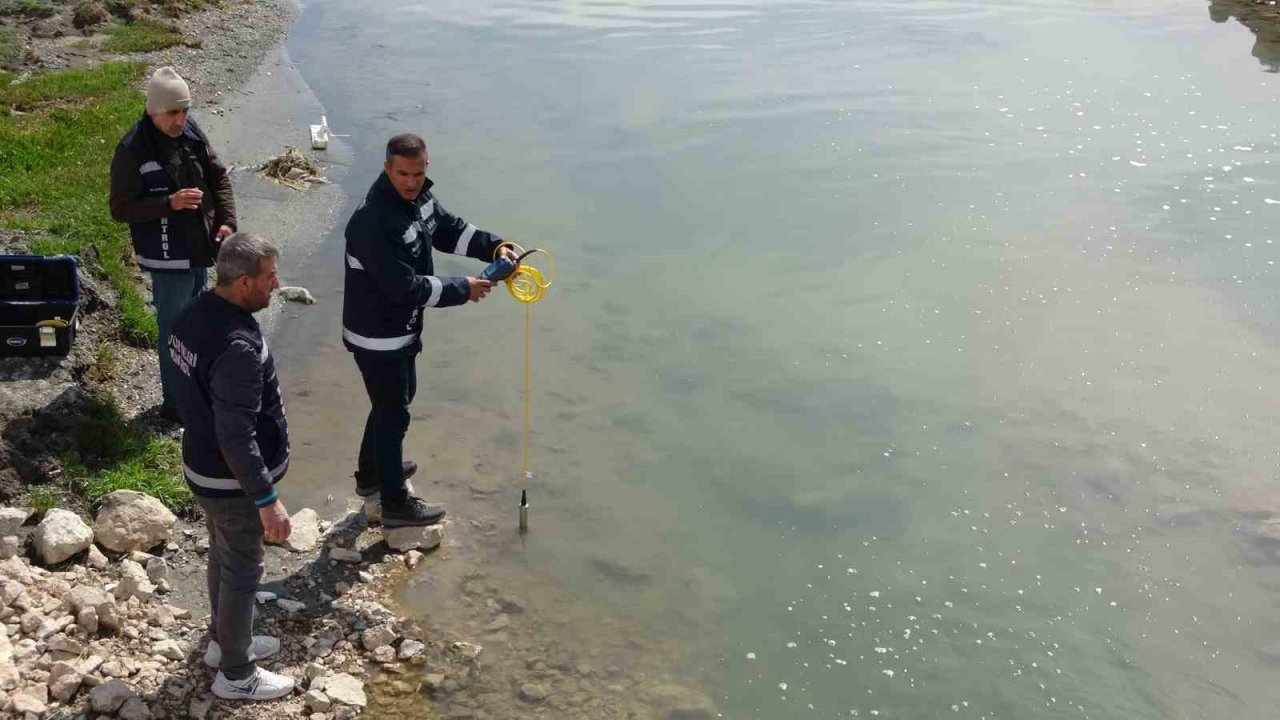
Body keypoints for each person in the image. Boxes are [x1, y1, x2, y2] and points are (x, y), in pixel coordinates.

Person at [342, 133, 516, 528]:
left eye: (418, 173)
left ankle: (372, 473)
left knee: (397, 400)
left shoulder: (417, 200)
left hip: (400, 331)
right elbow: (405, 288)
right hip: (376, 335)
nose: (411, 182)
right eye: (403, 174)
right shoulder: (371, 223)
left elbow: (449, 229)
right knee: (394, 412)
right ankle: (395, 505)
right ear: (387, 168)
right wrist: (463, 289)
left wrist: (495, 248)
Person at [170, 233, 293, 700]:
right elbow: (236, 435)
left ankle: (225, 642)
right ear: (243, 283)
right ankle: (237, 674)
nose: (276, 285)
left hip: (202, 467)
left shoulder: (193, 314)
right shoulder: (237, 345)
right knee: (243, 567)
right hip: (230, 482)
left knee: (222, 553)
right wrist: (267, 500)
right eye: (269, 277)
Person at [109, 66, 236, 424]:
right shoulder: (132, 149)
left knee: (196, 326)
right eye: (173, 113)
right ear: (153, 111)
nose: (181, 119)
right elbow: (120, 209)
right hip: (166, 257)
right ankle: (176, 406)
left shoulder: (192, 131)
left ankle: (193, 393)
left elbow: (219, 177)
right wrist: (169, 203)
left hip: (200, 249)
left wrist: (227, 222)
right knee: (175, 329)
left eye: (185, 110)